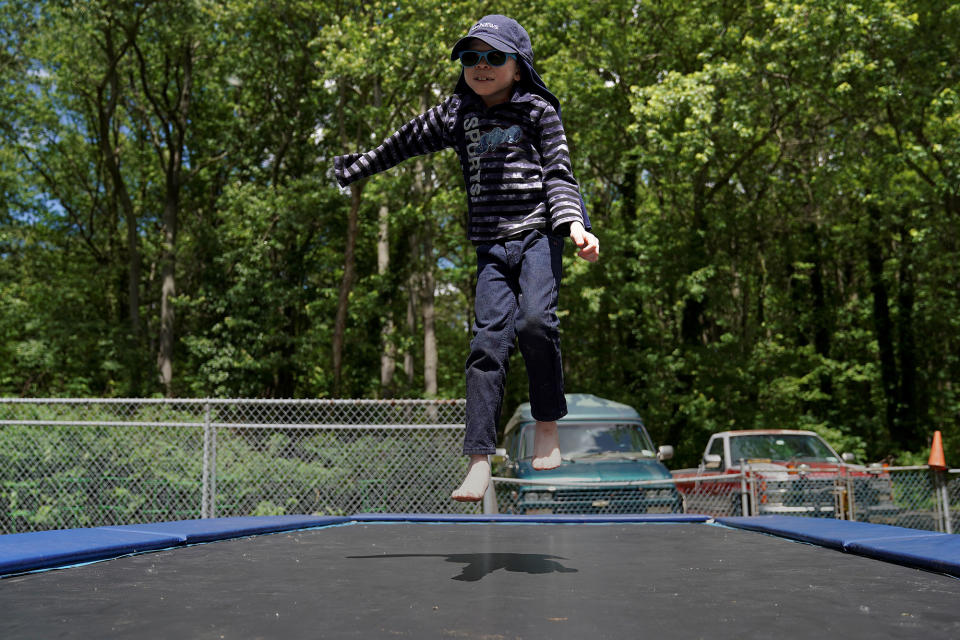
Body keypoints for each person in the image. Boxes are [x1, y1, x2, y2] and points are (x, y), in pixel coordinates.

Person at [333, 15, 599, 502]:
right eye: (472, 57)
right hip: (490, 247)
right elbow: (404, 141)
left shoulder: (538, 111)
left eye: (494, 57)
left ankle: (546, 425)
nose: (481, 66)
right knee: (486, 344)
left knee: (536, 322)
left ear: (518, 67)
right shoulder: (457, 115)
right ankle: (479, 460)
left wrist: (575, 226)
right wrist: (358, 166)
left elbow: (560, 172)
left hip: (540, 234)